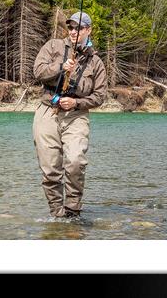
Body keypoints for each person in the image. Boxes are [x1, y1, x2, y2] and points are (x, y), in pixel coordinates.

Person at [31, 11, 108, 219]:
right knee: (50, 169)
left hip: (76, 115)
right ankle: (57, 214)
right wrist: (60, 67)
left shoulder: (96, 62)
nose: (74, 31)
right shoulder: (53, 46)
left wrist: (77, 102)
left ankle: (73, 211)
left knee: (75, 161)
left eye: (79, 28)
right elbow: (37, 71)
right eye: (71, 27)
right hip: (48, 110)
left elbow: (100, 96)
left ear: (88, 30)